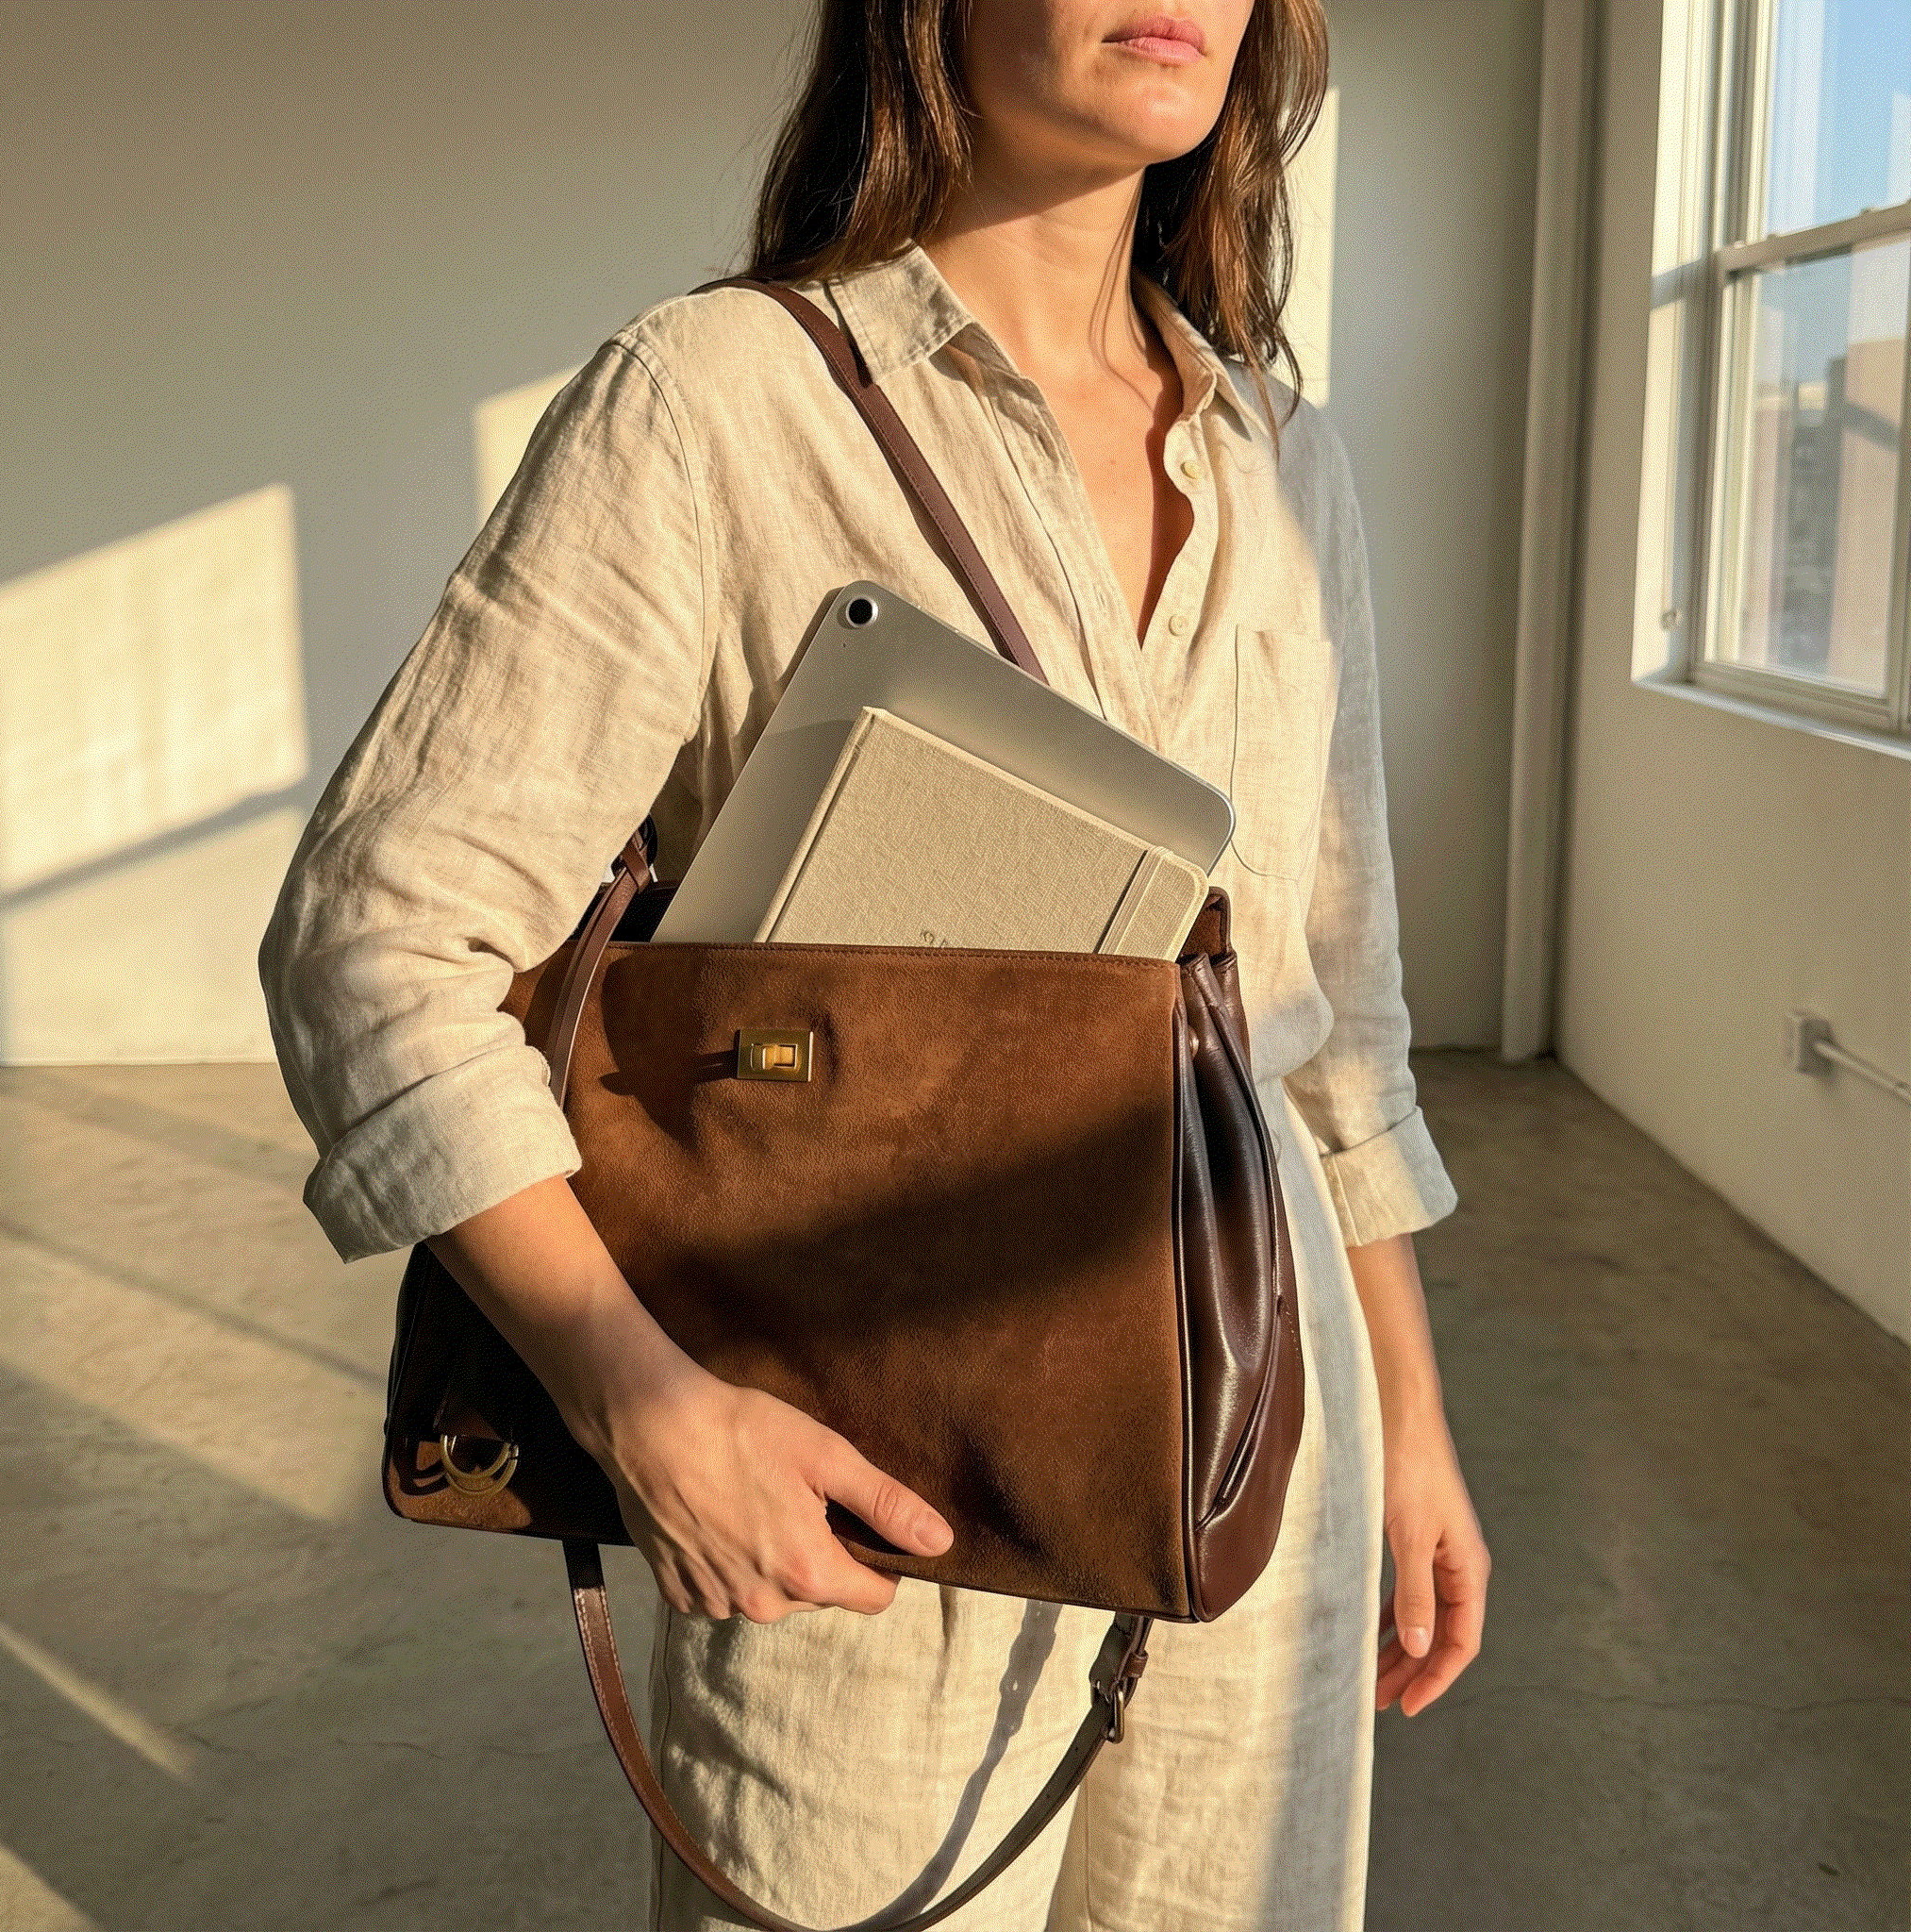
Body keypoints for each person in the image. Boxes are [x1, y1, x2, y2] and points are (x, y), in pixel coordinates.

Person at [261, 1, 1491, 1925]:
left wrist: (1407, 1423)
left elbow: (1335, 1021)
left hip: (1269, 1446)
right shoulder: (718, 399)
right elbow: (378, 936)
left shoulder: (1282, 461)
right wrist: (635, 1398)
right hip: (868, 1464)